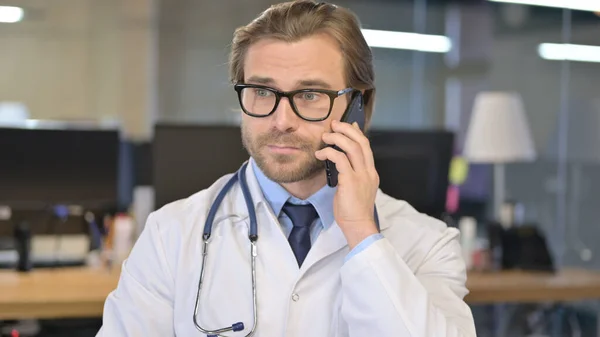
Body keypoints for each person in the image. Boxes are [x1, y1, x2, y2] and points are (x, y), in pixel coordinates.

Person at [96, 1, 476, 336]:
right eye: (262, 91)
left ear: (359, 107)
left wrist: (362, 236)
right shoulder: (172, 235)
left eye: (310, 95)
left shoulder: (427, 244)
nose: (281, 121)